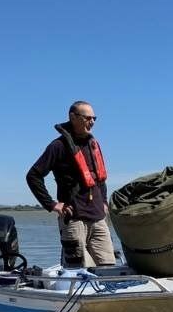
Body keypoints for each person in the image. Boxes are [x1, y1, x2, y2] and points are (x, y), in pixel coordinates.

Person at [26, 101, 115, 267]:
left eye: (94, 118)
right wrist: (52, 204)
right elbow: (33, 176)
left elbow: (100, 179)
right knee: (77, 270)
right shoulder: (58, 146)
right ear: (73, 117)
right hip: (74, 219)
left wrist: (104, 202)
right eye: (87, 118)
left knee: (109, 268)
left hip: (98, 219)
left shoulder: (93, 145)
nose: (92, 122)